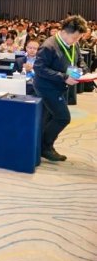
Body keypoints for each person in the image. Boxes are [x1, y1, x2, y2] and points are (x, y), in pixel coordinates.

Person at [33, 15, 89, 161]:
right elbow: (39, 68)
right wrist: (64, 77)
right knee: (63, 117)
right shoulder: (49, 46)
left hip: (61, 86)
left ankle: (39, 146)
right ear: (64, 32)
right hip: (46, 87)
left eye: (78, 38)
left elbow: (79, 60)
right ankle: (45, 147)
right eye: (74, 38)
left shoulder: (74, 44)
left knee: (49, 117)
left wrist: (83, 70)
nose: (76, 41)